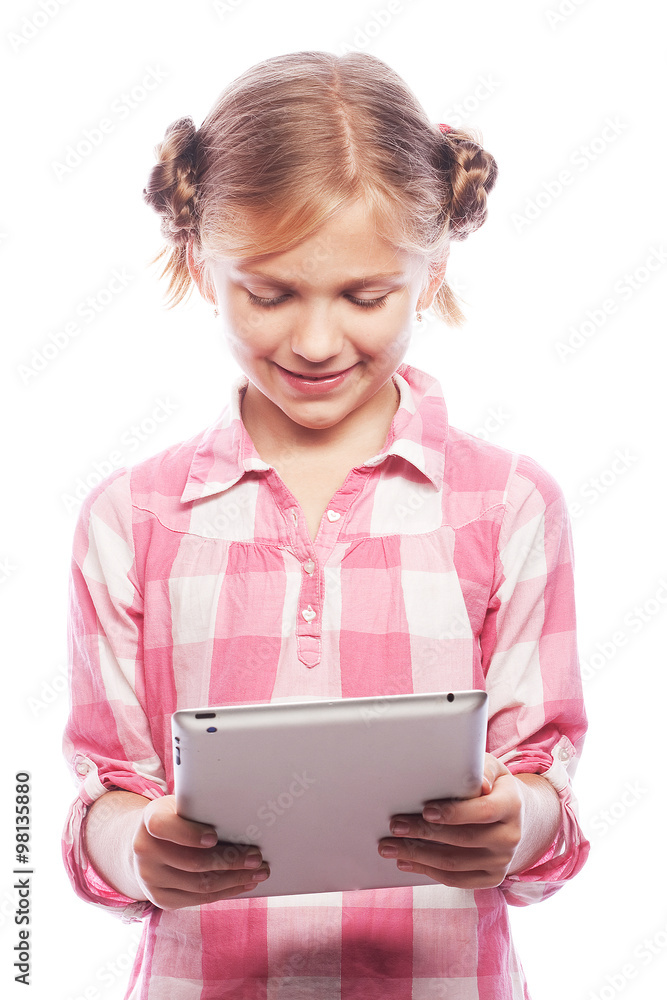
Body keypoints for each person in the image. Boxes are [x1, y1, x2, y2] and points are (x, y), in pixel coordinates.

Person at [62, 49, 590, 999]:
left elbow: (545, 791)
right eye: (269, 294)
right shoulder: (130, 519)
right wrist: (137, 848)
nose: (314, 342)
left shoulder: (507, 504)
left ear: (431, 270)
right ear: (200, 265)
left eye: (364, 295)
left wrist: (519, 824)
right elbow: (101, 797)